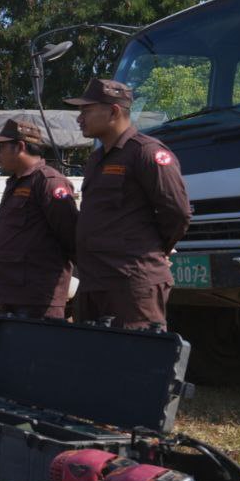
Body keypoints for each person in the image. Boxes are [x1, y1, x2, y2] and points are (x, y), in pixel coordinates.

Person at [64, 78, 190, 329]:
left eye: (86, 111)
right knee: (93, 351)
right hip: (95, 281)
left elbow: (177, 213)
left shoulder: (146, 152)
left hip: (131, 283)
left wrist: (156, 250)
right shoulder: (96, 160)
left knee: (135, 351)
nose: (79, 119)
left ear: (113, 111)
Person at [0, 118, 78, 318]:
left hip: (38, 297)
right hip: (13, 292)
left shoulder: (49, 182)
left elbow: (71, 236)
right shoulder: (15, 182)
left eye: (1, 147)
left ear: (20, 147)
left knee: (37, 340)